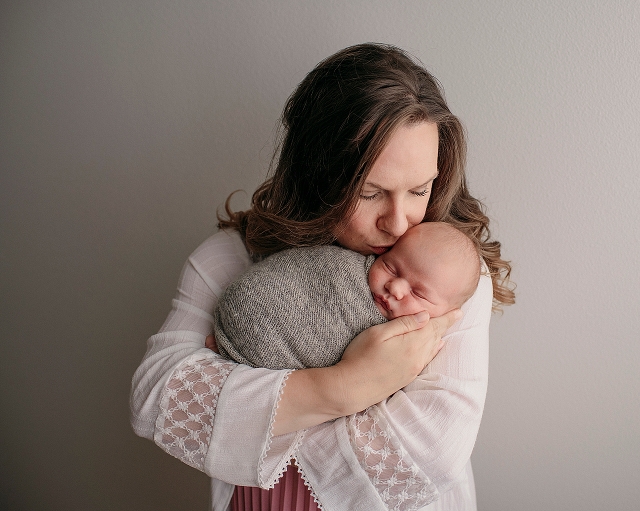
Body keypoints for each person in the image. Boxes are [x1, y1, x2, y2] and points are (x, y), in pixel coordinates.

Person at [130, 42, 515, 511]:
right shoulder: (232, 258)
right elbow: (157, 400)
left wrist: (246, 404)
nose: (398, 223)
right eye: (370, 192)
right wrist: (348, 385)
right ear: (316, 175)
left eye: (419, 189)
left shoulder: (444, 279)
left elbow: (431, 452)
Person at [214, 221, 481, 370]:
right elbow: (299, 269)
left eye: (418, 293)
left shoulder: (418, 342)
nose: (395, 288)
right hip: (249, 304)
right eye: (390, 267)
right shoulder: (344, 263)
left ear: (446, 313)